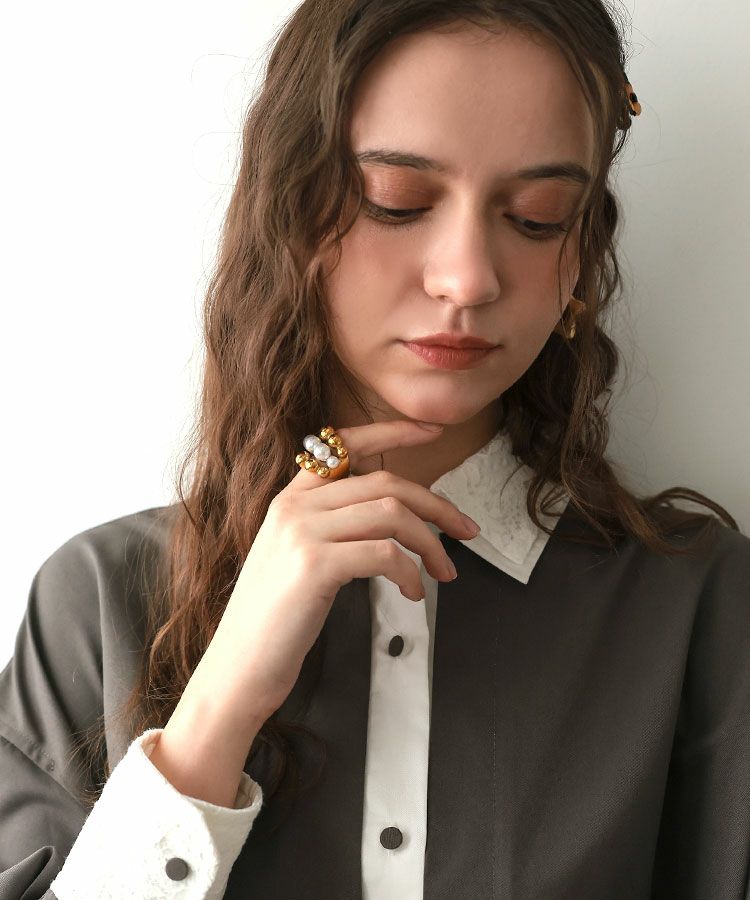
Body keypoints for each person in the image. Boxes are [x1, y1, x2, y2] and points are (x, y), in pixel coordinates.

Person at [1, 1, 747, 898]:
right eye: (397, 202)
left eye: (538, 216)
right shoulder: (98, 602)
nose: (466, 278)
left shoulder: (697, 606)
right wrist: (215, 716)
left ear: (583, 252)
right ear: (292, 211)